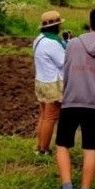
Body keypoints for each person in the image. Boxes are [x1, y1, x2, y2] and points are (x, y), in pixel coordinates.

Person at [53, 7, 95, 189]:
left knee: (62, 144)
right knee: (90, 147)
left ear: (90, 21)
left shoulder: (73, 44)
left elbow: (66, 69)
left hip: (72, 100)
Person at [32, 10, 66, 155]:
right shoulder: (52, 43)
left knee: (44, 116)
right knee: (51, 117)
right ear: (56, 26)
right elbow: (63, 62)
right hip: (52, 83)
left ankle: (39, 146)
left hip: (41, 80)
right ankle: (44, 150)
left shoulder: (39, 39)